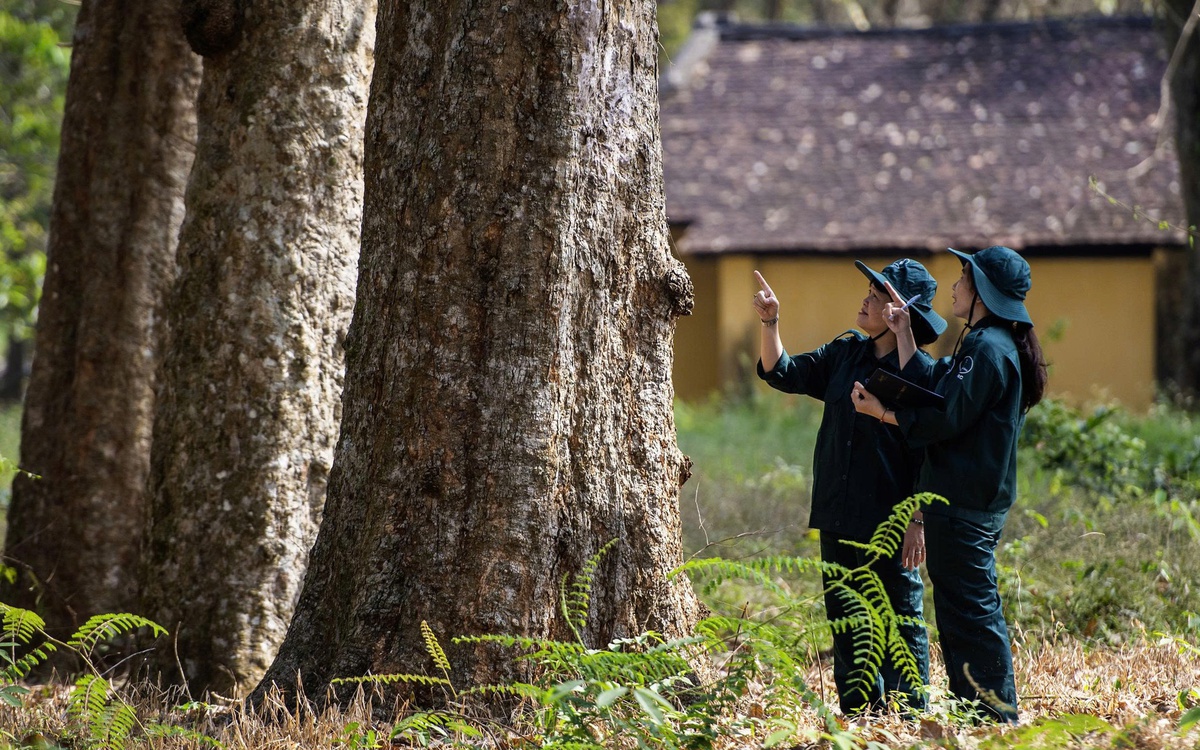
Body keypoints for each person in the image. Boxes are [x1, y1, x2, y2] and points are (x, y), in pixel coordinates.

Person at [850, 245, 1049, 723]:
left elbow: (945, 416)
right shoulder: (987, 342)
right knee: (962, 613)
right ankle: (975, 716)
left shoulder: (987, 348)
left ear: (982, 292)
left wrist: (885, 414)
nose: (955, 288)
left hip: (964, 504)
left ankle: (996, 718)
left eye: (963, 279)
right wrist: (904, 333)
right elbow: (938, 386)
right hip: (966, 503)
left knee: (972, 615)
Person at [753, 259, 947, 716]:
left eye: (877, 297)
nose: (865, 300)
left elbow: (930, 451)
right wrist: (771, 322)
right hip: (837, 510)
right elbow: (783, 371)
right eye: (869, 292)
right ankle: (861, 714)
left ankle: (909, 713)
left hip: (891, 519)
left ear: (901, 311)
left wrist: (917, 521)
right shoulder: (845, 353)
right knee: (846, 615)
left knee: (899, 616)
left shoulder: (922, 372)